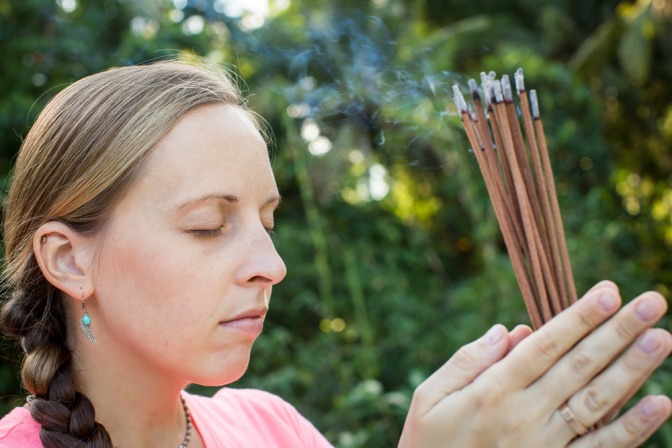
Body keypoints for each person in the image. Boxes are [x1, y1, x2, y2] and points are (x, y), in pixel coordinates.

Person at [0, 60, 669, 448]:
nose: (272, 264)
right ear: (68, 260)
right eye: (208, 225)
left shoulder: (272, 428)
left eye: (268, 221)